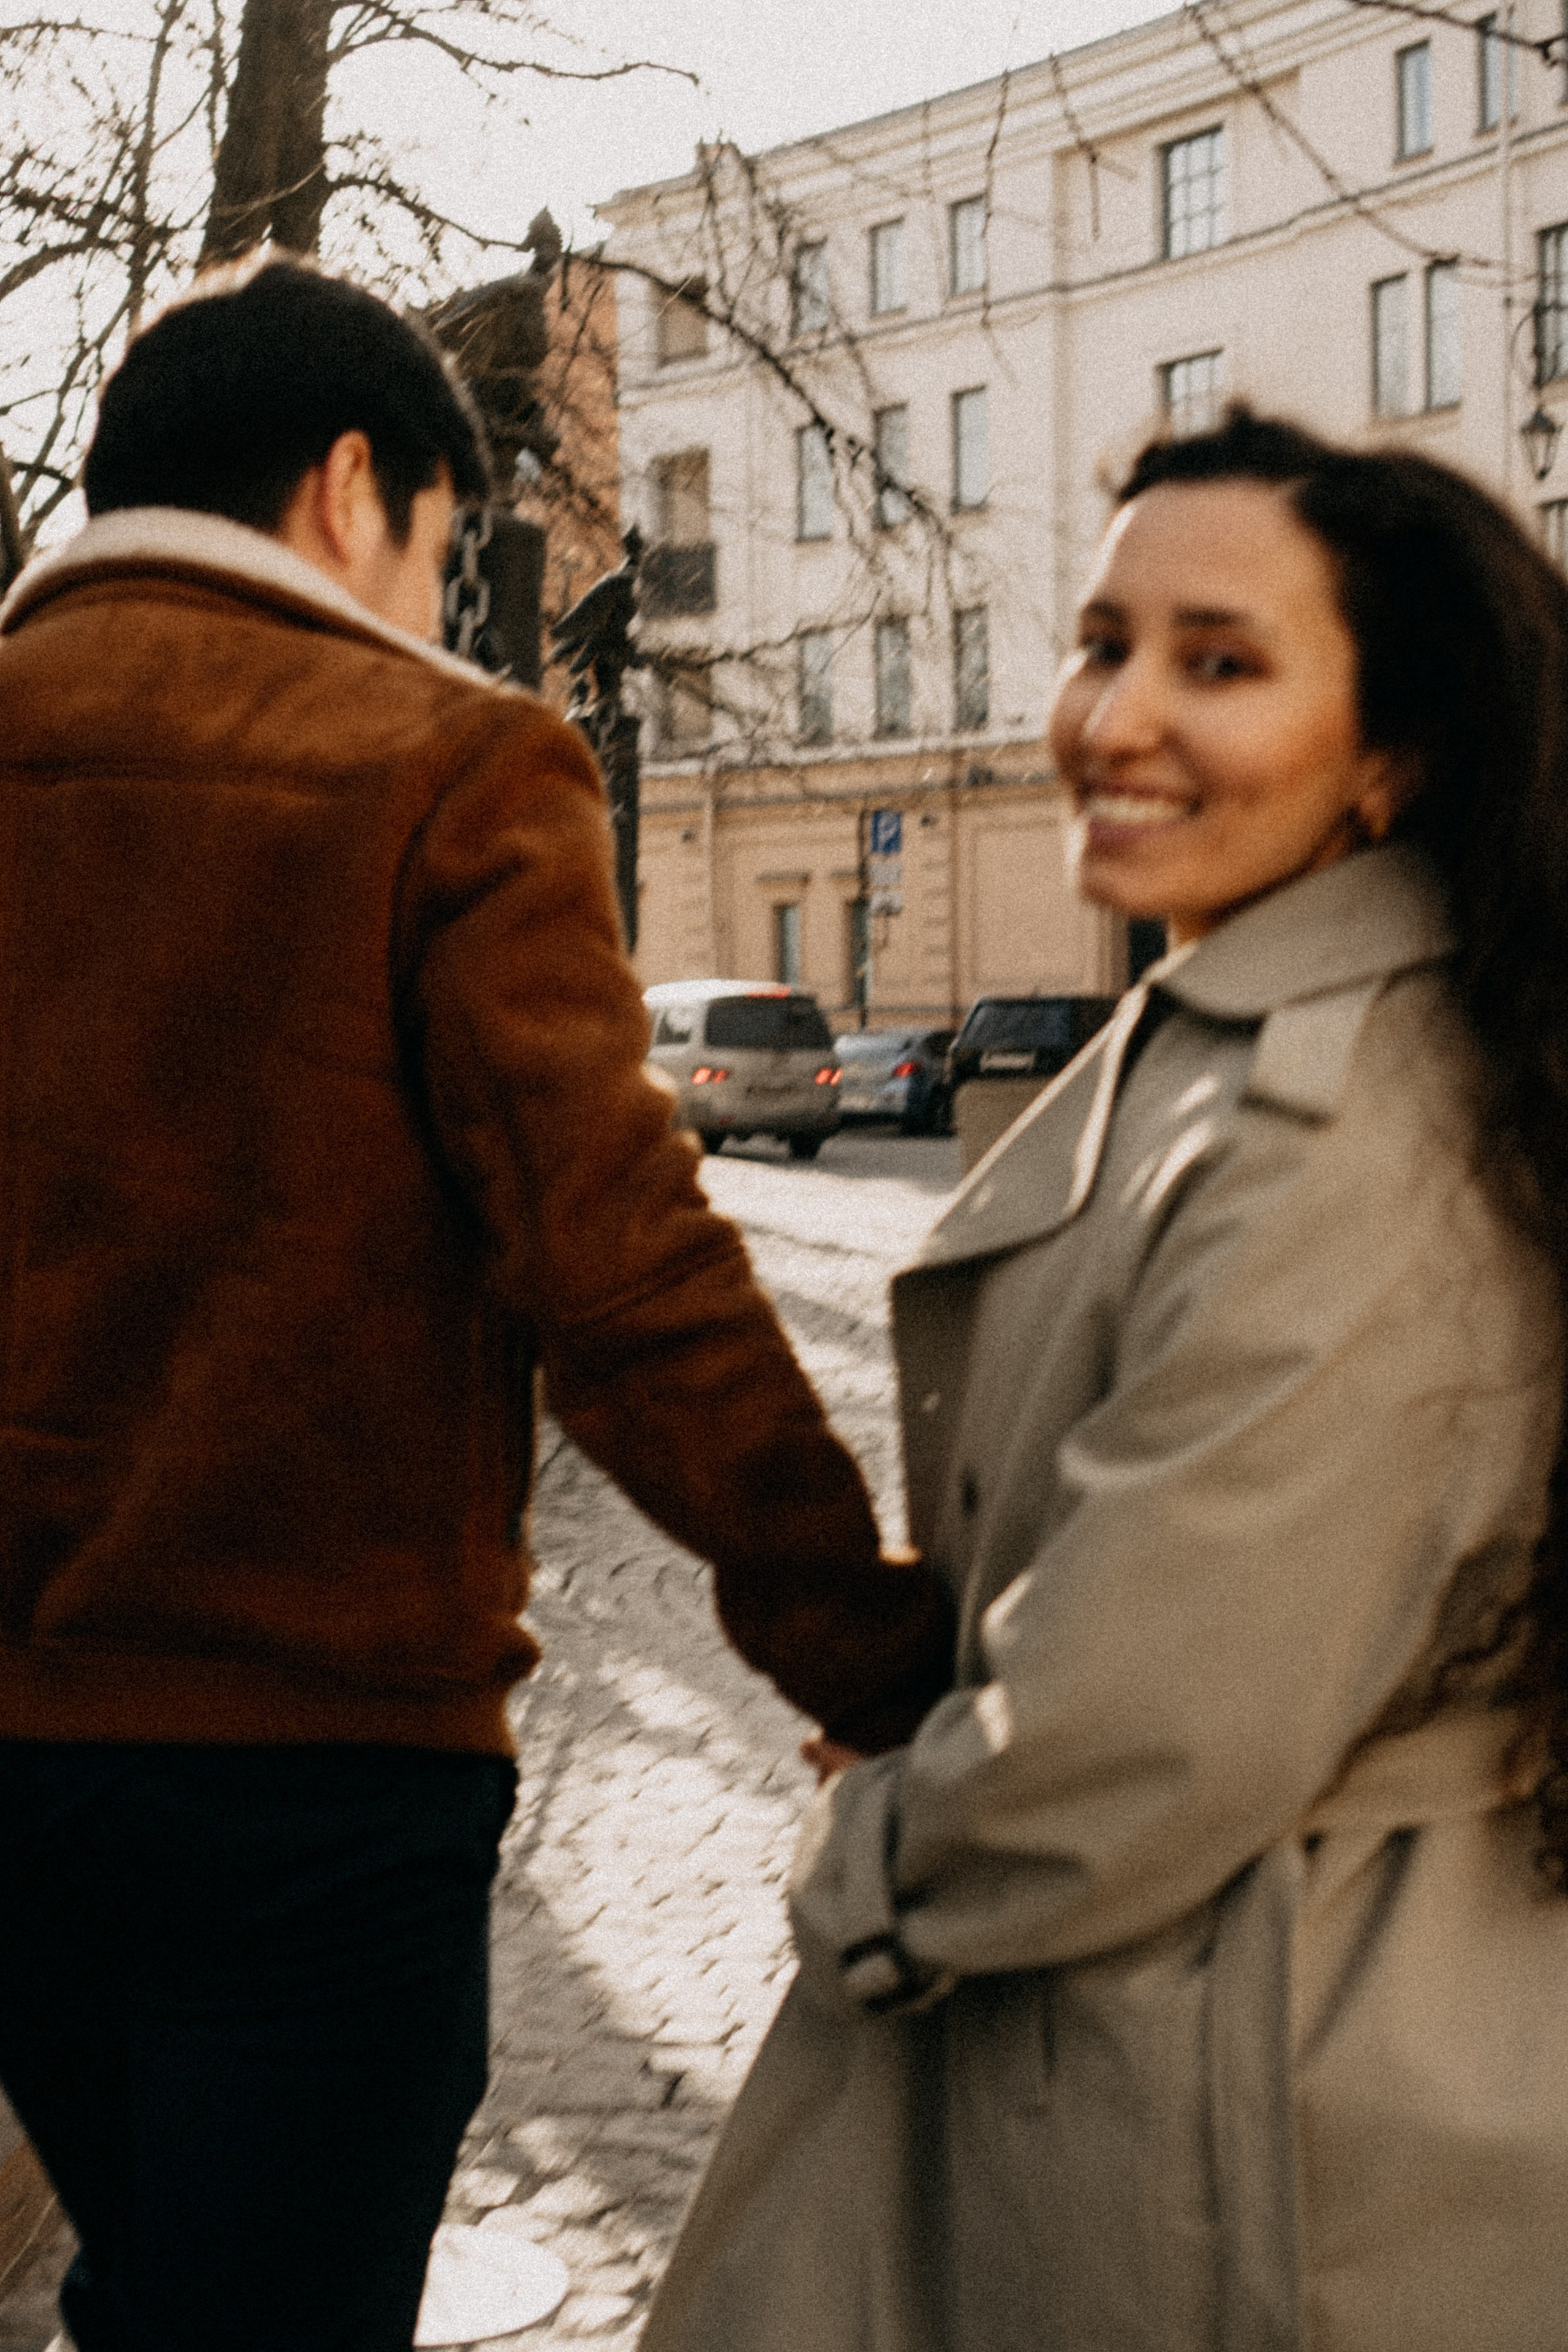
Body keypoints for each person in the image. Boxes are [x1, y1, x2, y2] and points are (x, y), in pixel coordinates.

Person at [0, 255, 953, 2352]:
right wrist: (855, 1632)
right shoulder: (445, 764)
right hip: (315, 1768)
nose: (436, 611)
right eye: (443, 555)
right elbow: (619, 1265)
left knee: (148, 2284)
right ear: (357, 486)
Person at [642, 408, 1568, 2352]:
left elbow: (1142, 1728)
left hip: (1256, 2082)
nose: (1117, 712)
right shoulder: (1260, 1030)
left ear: (1390, 753)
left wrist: (879, 1853)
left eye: (1218, 663)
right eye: (1103, 639)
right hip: (1204, 2017)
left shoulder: (1336, 1116)